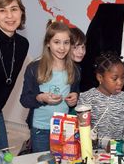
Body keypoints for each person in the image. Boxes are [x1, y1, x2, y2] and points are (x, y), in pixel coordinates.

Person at [20, 20, 80, 152]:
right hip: (40, 129)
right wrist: (41, 98)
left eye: (66, 42)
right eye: (56, 42)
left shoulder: (75, 70)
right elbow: (24, 99)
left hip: (65, 129)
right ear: (48, 43)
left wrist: (75, 98)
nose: (62, 48)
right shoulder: (34, 68)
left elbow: (75, 96)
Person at [0, 0, 29, 153]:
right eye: (2, 10)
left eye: (14, 9)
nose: (10, 16)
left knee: (0, 163)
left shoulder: (21, 45)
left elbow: (7, 84)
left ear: (21, 12)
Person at [77, 51, 124, 150]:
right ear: (100, 77)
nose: (120, 82)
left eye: (123, 77)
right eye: (115, 78)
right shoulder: (86, 98)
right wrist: (105, 144)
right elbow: (83, 129)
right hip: (94, 152)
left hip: (121, 152)